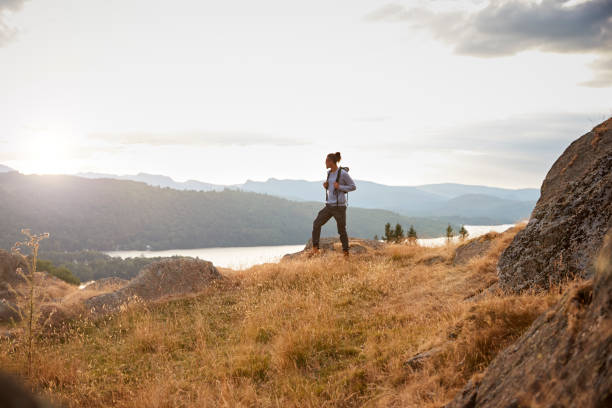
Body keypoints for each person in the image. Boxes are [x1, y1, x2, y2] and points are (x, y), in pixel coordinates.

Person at [310, 152, 356, 258]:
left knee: (341, 230)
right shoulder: (329, 173)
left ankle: (346, 253)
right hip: (329, 206)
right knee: (316, 223)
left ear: (331, 162)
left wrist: (340, 187)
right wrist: (327, 186)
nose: (325, 163)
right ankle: (315, 249)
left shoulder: (343, 173)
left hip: (339, 207)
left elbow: (353, 186)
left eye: (326, 161)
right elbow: (331, 188)